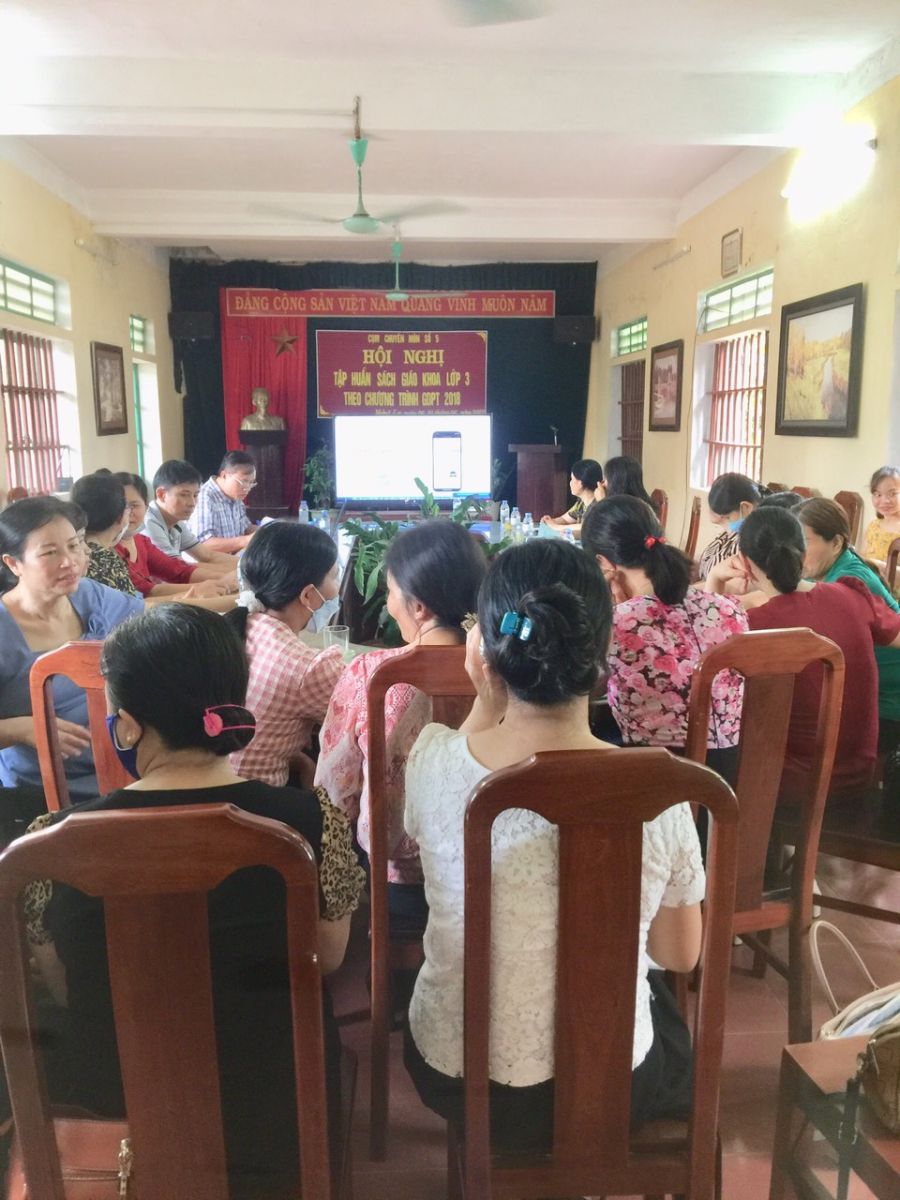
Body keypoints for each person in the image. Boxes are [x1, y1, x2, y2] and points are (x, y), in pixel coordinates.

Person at [21, 604, 365, 1198]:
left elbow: (63, 984)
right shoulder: (311, 824)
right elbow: (327, 958)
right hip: (276, 1114)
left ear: (127, 726)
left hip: (121, 1126)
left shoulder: (51, 846)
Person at [403, 538, 704, 1148]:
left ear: (485, 651)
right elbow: (679, 954)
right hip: (609, 1085)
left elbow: (448, 783)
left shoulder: (431, 759)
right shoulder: (659, 789)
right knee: (660, 1009)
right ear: (602, 648)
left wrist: (486, 698)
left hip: (454, 1074)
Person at [315, 520, 486, 938]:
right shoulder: (503, 676)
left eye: (391, 591)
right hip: (487, 870)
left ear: (419, 607)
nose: (389, 602)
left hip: (397, 884)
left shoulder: (369, 673)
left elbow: (334, 791)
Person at [707, 507, 900, 797]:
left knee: (711, 740)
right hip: (858, 769)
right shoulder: (852, 594)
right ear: (801, 550)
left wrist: (715, 581)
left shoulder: (749, 626)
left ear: (745, 562)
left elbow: (708, 662)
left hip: (785, 782)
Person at [581, 495, 747, 771]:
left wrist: (607, 611)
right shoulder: (730, 609)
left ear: (603, 562)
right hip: (729, 775)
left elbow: (582, 689)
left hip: (656, 779)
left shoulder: (615, 623)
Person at [0, 497, 142, 798]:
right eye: (50, 552)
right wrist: (22, 729)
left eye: (74, 546)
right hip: (40, 789)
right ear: (13, 564)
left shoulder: (90, 596)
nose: (69, 561)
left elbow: (148, 620)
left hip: (123, 769)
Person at [226, 522, 346, 788]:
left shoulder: (240, 626)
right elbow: (362, 724)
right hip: (260, 803)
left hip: (217, 788)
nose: (336, 588)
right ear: (308, 595)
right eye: (335, 576)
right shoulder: (309, 667)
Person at [797, 497, 900, 757]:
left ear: (836, 543)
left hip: (887, 702)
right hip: (868, 693)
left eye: (804, 542)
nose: (796, 552)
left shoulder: (848, 581)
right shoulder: (830, 568)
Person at [111, 472, 237, 609]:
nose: (192, 503)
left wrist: (226, 580)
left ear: (146, 507)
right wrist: (208, 587)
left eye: (133, 506)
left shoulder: (141, 541)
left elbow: (178, 570)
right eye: (184, 495)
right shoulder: (108, 551)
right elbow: (145, 594)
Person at [144, 460, 237, 574]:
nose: (192, 503)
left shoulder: (176, 521)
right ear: (162, 494)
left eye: (195, 495)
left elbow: (207, 555)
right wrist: (240, 573)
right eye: (184, 495)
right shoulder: (149, 523)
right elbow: (177, 568)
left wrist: (247, 565)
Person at [69, 473, 139, 597]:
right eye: (128, 507)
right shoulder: (107, 560)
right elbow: (131, 606)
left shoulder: (73, 554)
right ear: (120, 516)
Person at [189, 450, 258, 554]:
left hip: (232, 557)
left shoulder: (235, 495)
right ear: (224, 475)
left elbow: (246, 527)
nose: (247, 488)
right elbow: (203, 544)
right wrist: (245, 541)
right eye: (243, 482)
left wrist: (269, 531)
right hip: (209, 561)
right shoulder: (204, 497)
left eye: (251, 483)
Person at [696, 473, 762, 580]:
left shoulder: (744, 545)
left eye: (726, 516)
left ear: (746, 508)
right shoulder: (725, 536)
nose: (712, 509)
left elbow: (733, 585)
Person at [539, 458, 604, 533]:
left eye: (572, 479)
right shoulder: (581, 503)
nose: (570, 483)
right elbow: (565, 519)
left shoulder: (598, 504)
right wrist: (550, 521)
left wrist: (555, 527)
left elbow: (585, 528)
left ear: (580, 483)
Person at [862, 466, 900, 570]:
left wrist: (883, 568)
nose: (885, 501)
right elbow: (862, 558)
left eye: (892, 494)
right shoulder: (873, 526)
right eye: (878, 494)